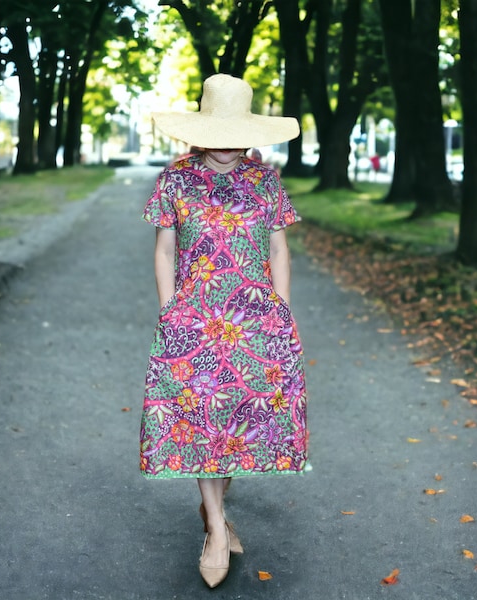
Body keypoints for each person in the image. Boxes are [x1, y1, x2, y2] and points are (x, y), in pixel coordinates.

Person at [140, 73, 308, 588]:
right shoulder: (176, 179)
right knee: (199, 418)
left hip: (257, 320)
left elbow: (279, 249)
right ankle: (215, 527)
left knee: (242, 419)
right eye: (220, 133)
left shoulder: (266, 181)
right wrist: (171, 313)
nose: (229, 145)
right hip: (193, 318)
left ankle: (214, 507)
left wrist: (281, 309)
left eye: (239, 133)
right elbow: (165, 251)